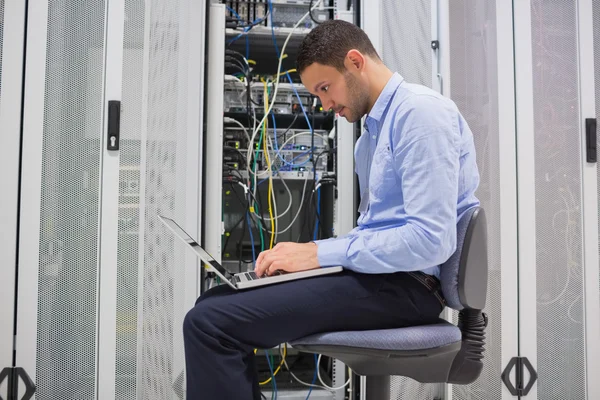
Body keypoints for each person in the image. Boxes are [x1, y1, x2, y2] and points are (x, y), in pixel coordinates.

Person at [183, 19, 479, 399]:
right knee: (213, 304)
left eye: (325, 88)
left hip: (407, 287)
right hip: (383, 279)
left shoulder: (420, 115)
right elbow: (377, 233)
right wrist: (312, 259)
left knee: (210, 323)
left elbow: (430, 241)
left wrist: (316, 254)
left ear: (355, 62)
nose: (325, 105)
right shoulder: (370, 139)